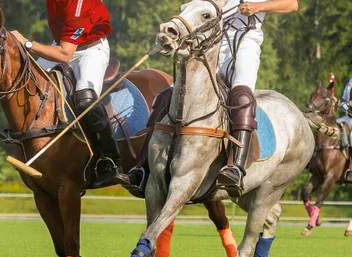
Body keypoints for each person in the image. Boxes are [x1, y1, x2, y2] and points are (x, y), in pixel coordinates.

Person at [116, 0, 299, 198]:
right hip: (209, 42)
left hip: (245, 41)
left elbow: (291, 4)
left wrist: (258, 7)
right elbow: (194, 10)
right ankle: (142, 168)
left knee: (242, 96)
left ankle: (235, 167)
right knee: (165, 96)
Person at [10, 0, 122, 188]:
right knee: (26, 83)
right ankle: (25, 146)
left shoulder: (80, 4)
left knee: (85, 100)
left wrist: (27, 43)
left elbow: (64, 54)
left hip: (90, 51)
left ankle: (111, 161)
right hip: (61, 45)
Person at [336, 78, 352, 179]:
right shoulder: (350, 81)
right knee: (333, 125)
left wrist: (347, 105)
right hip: (348, 117)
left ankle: (351, 168)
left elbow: (349, 103)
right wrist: (337, 101)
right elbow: (344, 99)